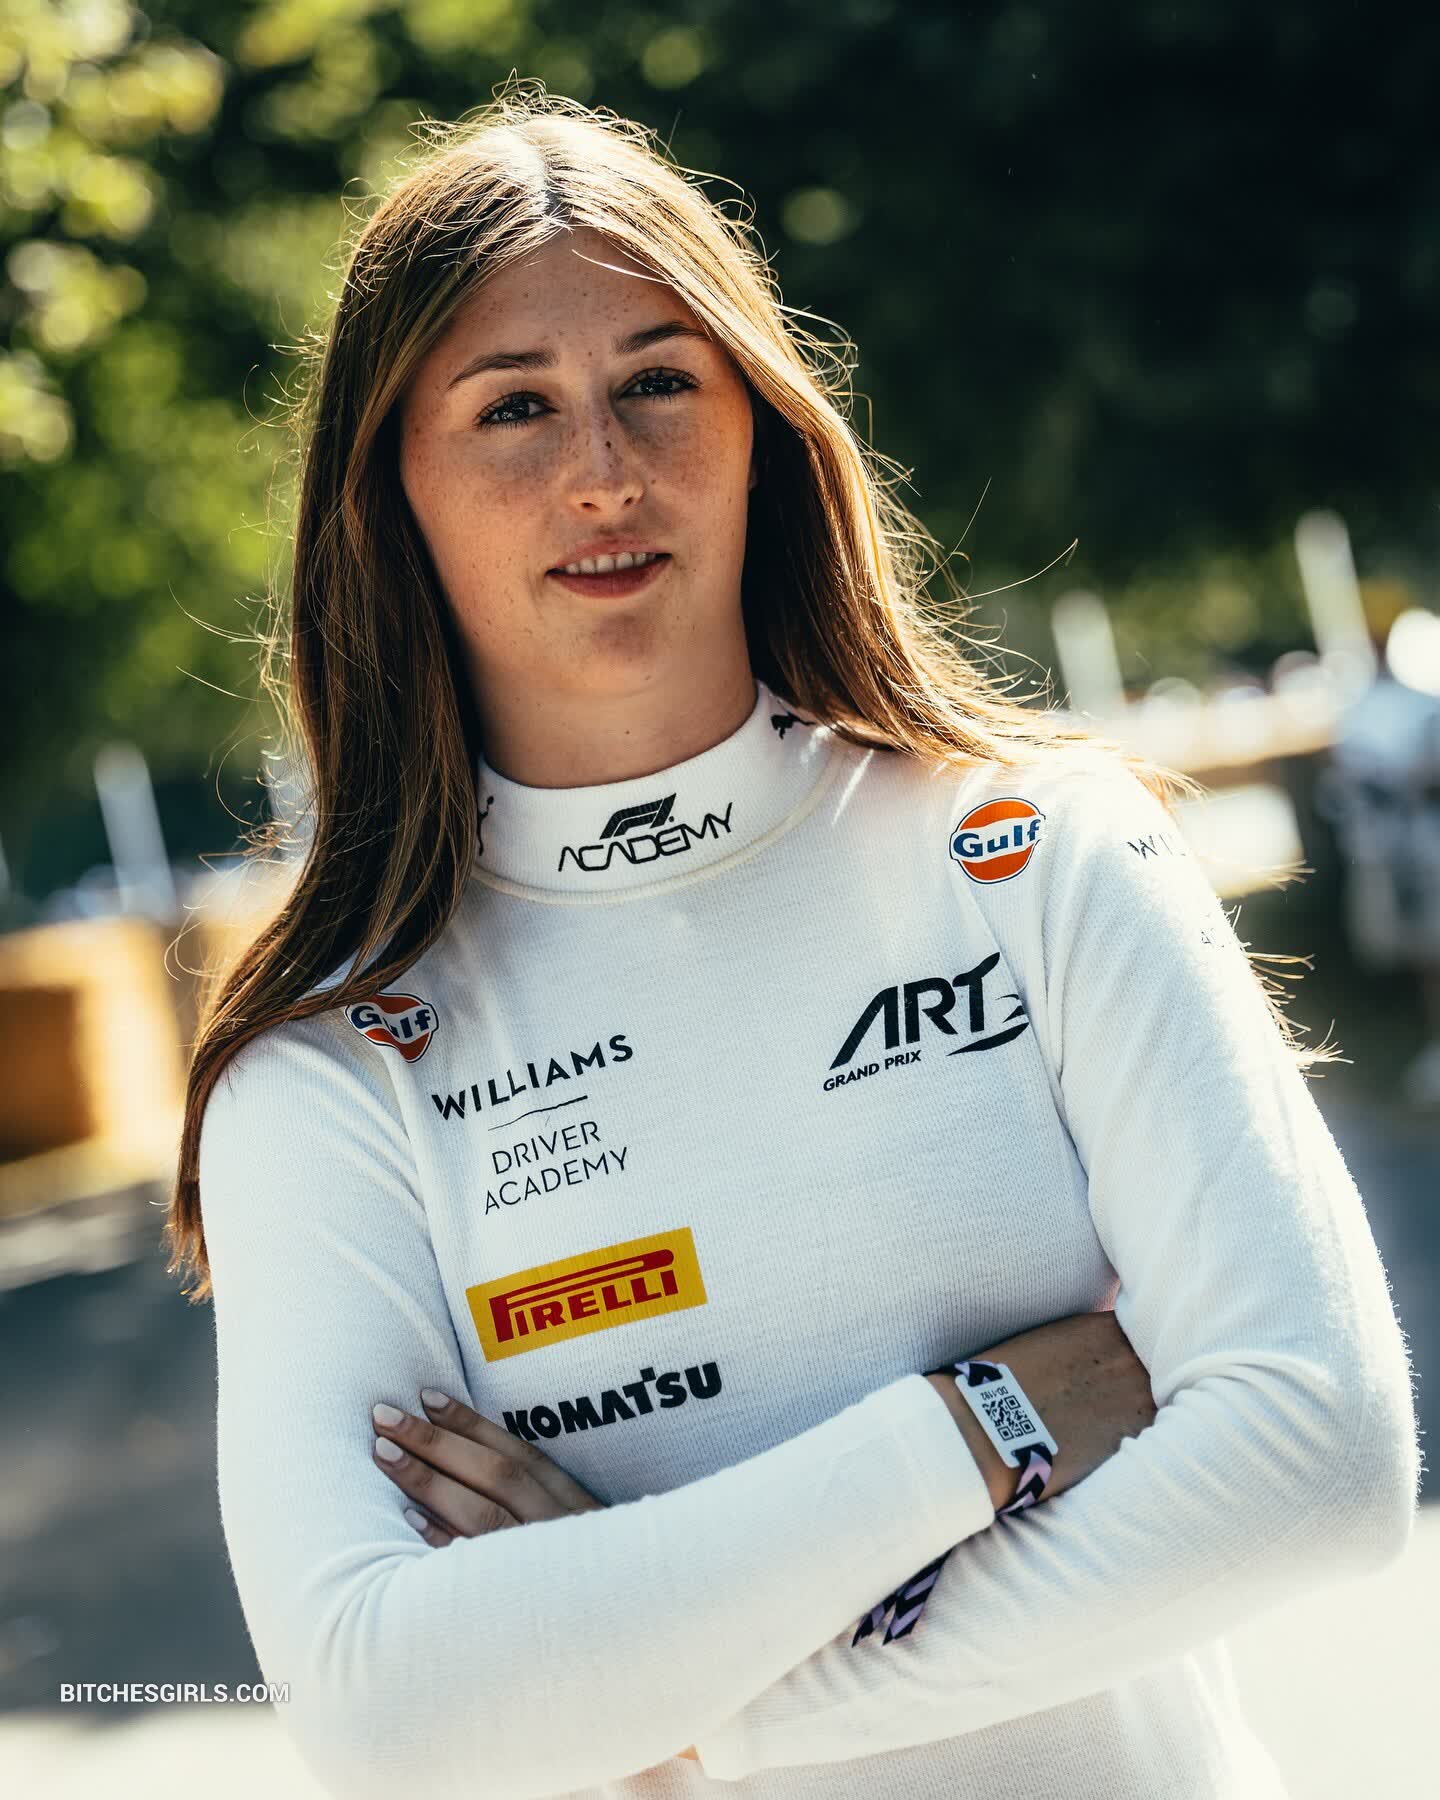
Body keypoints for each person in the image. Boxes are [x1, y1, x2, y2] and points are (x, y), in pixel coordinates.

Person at [164, 84, 1419, 1800]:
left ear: (762, 423)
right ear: (394, 497)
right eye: (513, 408)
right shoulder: (327, 1069)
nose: (604, 473)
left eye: (660, 382)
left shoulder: (1040, 854)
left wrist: (684, 1706)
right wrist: (982, 1425)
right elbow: (389, 1714)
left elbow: (1323, 1458)